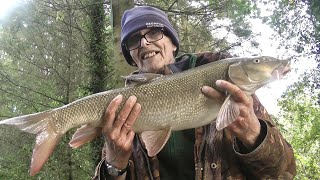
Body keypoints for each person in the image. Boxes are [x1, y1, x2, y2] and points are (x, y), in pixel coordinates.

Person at [93, 6, 296, 180]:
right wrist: (114, 165)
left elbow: (284, 172)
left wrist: (253, 134)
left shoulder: (229, 84)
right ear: (131, 55)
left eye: (154, 33)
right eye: (134, 39)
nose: (144, 43)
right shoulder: (123, 103)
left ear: (173, 43)